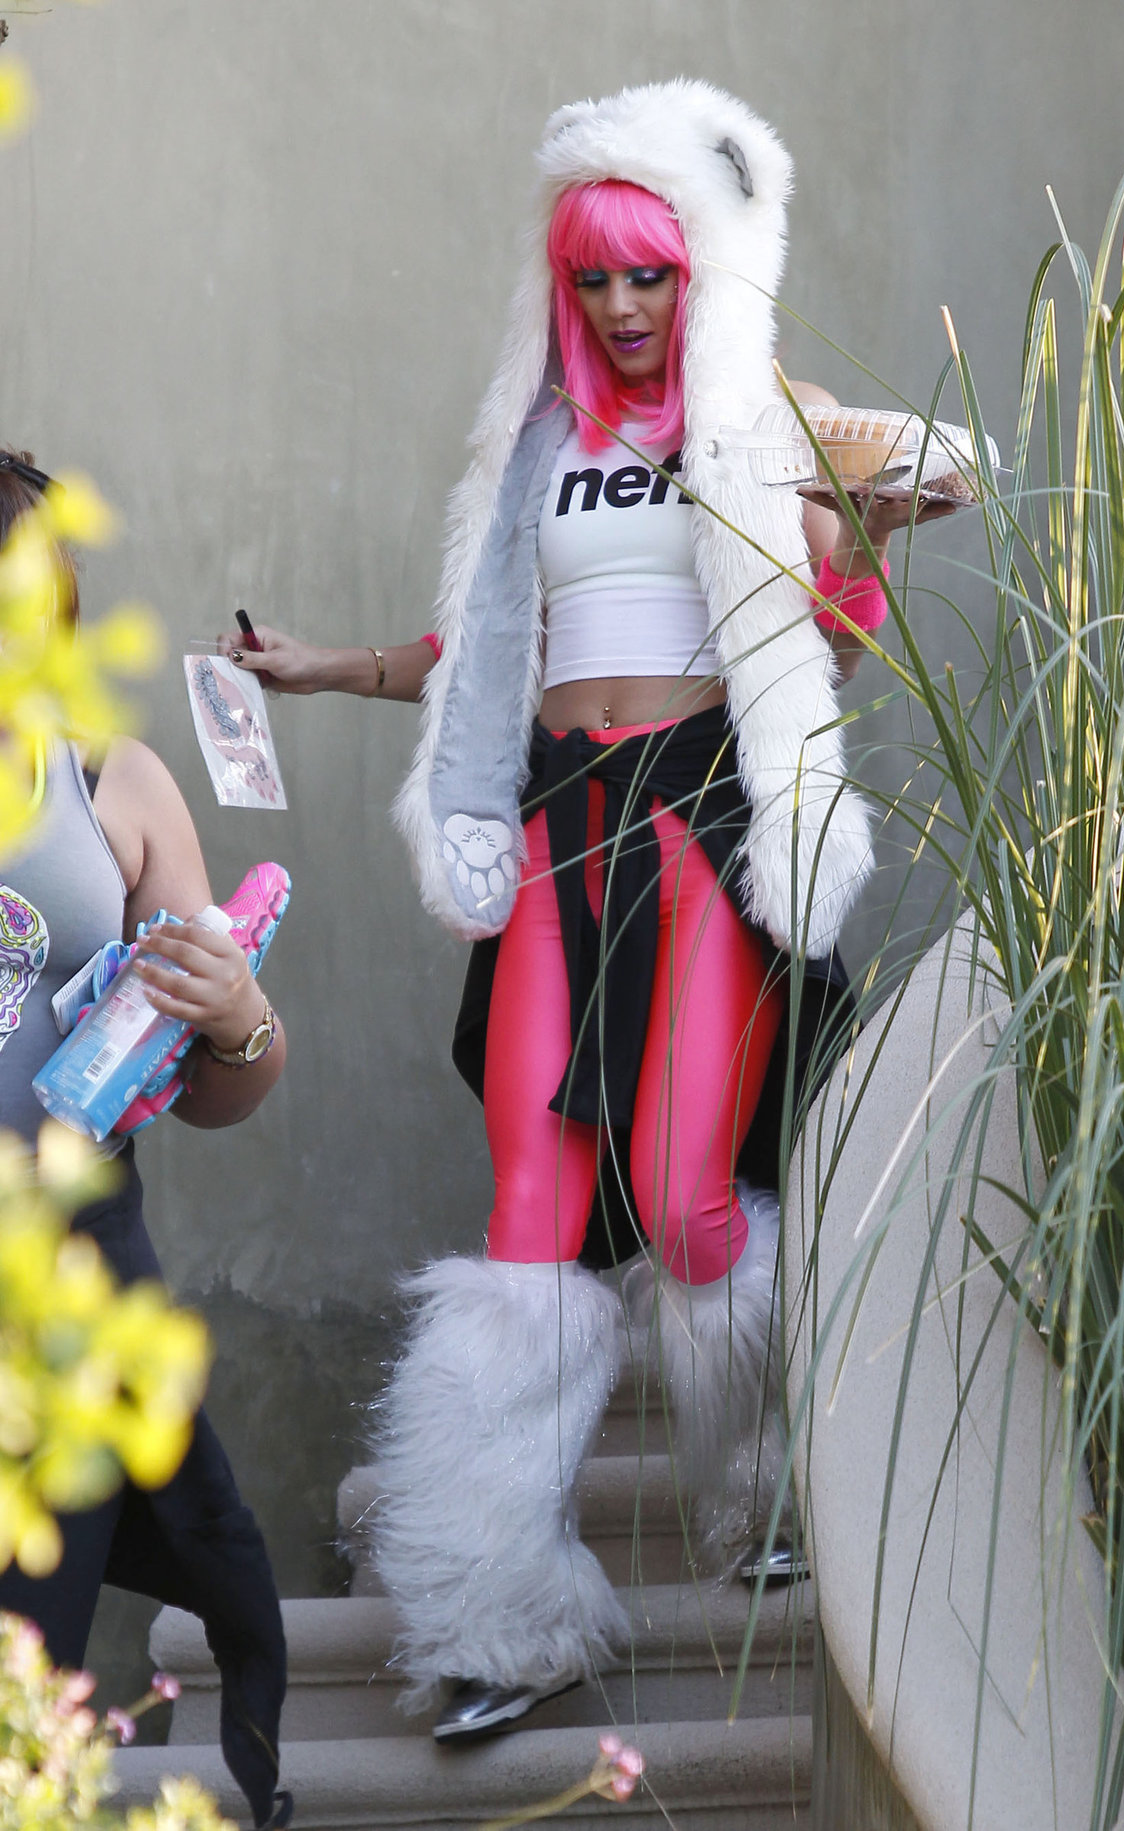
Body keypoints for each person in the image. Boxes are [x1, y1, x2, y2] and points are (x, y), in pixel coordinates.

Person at [221, 79, 948, 1744]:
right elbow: (480, 649)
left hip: (697, 817)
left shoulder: (767, 420)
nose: (621, 308)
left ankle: (762, 1491)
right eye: (594, 278)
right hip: (557, 827)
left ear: (699, 274)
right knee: (531, 1211)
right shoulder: (536, 441)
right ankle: (494, 1610)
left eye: (651, 276)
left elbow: (831, 636)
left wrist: (863, 536)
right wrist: (324, 668)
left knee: (692, 1200)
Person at [0, 449, 293, 1829]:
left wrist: (233, 1015)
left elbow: (227, 1080)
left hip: (64, 1279)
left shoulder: (111, 781)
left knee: (27, 1652)